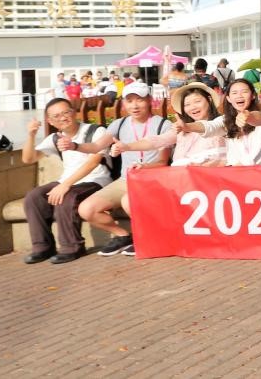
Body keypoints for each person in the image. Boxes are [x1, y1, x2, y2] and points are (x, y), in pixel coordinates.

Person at [69, 82, 173, 256]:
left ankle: (150, 237)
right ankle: (123, 236)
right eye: (129, 101)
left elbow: (163, 162)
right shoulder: (119, 124)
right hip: (126, 179)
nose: (134, 105)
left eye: (139, 100)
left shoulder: (163, 125)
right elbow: (96, 146)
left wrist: (145, 166)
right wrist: (74, 145)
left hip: (152, 180)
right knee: (86, 209)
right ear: (123, 103)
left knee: (128, 200)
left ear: (149, 100)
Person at [20, 98, 111, 264]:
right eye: (56, 116)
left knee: (67, 196)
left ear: (74, 112)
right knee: (34, 197)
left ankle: (72, 247)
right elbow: (28, 159)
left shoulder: (95, 131)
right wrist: (31, 135)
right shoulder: (55, 138)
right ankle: (42, 247)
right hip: (68, 180)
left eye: (66, 112)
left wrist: (65, 185)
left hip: (96, 179)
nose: (63, 118)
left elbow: (93, 163)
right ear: (50, 121)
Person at [115, 83, 227, 167]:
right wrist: (128, 147)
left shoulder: (222, 124)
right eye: (187, 104)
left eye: (197, 101)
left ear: (209, 100)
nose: (192, 107)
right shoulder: (180, 129)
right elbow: (157, 140)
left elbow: (209, 128)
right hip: (181, 182)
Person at [221, 77, 261, 166]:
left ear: (253, 95)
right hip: (234, 170)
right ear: (228, 98)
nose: (239, 96)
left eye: (244, 92)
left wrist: (248, 116)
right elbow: (210, 126)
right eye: (234, 93)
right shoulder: (225, 120)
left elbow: (256, 156)